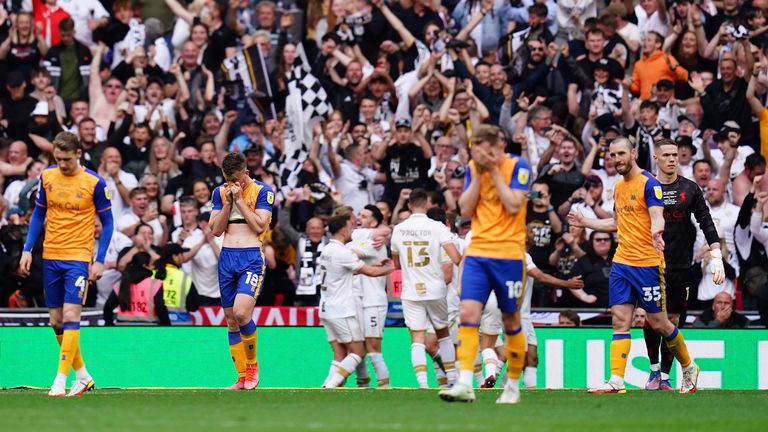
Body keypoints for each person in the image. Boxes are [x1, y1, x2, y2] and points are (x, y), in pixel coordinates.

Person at [568, 137, 700, 394]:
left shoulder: (650, 184)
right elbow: (616, 223)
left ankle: (689, 366)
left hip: (648, 265)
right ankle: (616, 379)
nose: (616, 159)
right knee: (620, 320)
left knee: (659, 323)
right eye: (612, 155)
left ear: (633, 153)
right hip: (622, 263)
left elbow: (657, 217)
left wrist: (657, 233)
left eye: (621, 154)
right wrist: (586, 222)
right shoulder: (618, 187)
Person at [439, 125, 530, 404]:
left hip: (509, 254)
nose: (478, 152)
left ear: (497, 145)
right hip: (478, 251)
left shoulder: (518, 165)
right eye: (475, 146)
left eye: (482, 146)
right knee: (468, 314)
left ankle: (513, 384)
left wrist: (491, 171)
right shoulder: (472, 168)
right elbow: (464, 209)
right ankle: (465, 382)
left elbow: (514, 204)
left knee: (511, 319)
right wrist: (479, 173)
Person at [19, 131, 114, 397]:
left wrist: (100, 258)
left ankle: (60, 380)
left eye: (66, 159)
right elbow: (39, 214)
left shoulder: (94, 182)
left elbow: (108, 223)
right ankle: (83, 376)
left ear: (78, 155)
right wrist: (27, 249)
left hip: (78, 257)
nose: (62, 164)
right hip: (51, 255)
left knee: (72, 315)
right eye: (58, 159)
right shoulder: (47, 176)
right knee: (56, 320)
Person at [641, 138, 723, 391]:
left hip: (679, 264)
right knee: (652, 319)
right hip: (648, 262)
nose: (672, 159)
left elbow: (706, 221)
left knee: (672, 319)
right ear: (656, 158)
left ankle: (664, 376)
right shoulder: (643, 186)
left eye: (675, 155)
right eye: (666, 155)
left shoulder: (690, 188)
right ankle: (653, 370)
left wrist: (716, 254)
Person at [209, 152, 274, 391]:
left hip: (250, 258)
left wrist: (240, 202)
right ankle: (241, 376)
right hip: (227, 257)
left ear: (245, 173)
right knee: (231, 321)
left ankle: (253, 366)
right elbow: (215, 230)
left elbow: (259, 225)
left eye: (237, 180)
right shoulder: (219, 193)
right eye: (228, 180)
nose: (233, 185)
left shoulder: (263, 191)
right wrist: (228, 203)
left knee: (241, 312)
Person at [391, 188, 461, 388]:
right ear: (428, 204)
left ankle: (423, 385)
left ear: (410, 205)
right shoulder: (438, 227)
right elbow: (456, 258)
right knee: (443, 335)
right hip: (436, 289)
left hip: (411, 290)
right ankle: (453, 380)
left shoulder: (399, 229)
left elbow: (396, 264)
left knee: (417, 339)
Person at [317, 214, 394, 388]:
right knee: (358, 352)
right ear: (344, 230)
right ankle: (331, 386)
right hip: (342, 309)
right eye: (350, 226)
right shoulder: (343, 252)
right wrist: (391, 267)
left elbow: (351, 270)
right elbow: (370, 272)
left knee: (340, 354)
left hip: (325, 308)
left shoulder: (327, 250)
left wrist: (378, 265)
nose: (353, 228)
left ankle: (327, 384)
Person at [103, 251, 170, 326]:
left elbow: (108, 308)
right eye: (152, 265)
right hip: (148, 329)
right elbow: (160, 308)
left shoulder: (120, 284)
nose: (153, 267)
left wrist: (109, 325)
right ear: (145, 266)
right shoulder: (155, 284)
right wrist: (167, 327)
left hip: (123, 328)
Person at [153, 243, 201, 325]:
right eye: (181, 254)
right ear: (174, 257)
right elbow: (193, 306)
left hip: (158, 324)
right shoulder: (184, 277)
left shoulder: (153, 275)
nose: (183, 257)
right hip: (181, 325)